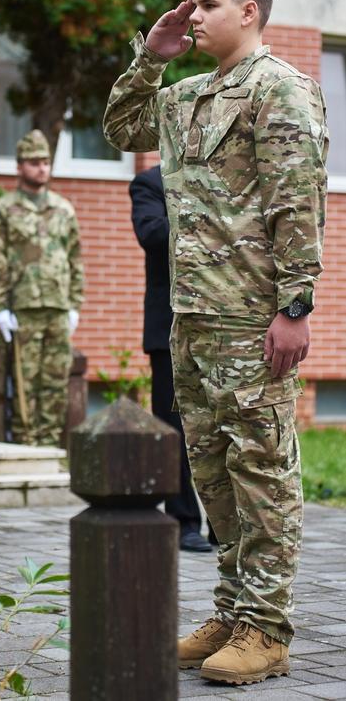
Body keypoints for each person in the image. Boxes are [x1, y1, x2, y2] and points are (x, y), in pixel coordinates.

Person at [104, 0, 328, 685]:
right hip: (192, 319)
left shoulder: (280, 89)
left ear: (248, 10)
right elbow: (119, 128)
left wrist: (295, 305)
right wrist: (151, 56)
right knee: (214, 475)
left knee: (261, 472)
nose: (192, 16)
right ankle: (232, 613)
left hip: (251, 320)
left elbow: (297, 200)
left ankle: (267, 628)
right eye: (190, 4)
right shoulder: (184, 96)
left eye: (206, 5)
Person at [0, 129, 84, 446]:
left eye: (45, 162)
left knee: (55, 381)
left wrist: (74, 305)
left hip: (57, 306)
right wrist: (0, 308)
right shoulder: (3, 209)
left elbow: (75, 259)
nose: (42, 168)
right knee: (24, 382)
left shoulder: (63, 209)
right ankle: (26, 447)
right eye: (34, 162)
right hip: (23, 306)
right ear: (19, 166)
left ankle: (51, 446)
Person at [130, 165, 212, 553]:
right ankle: (184, 520)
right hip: (170, 329)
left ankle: (224, 523)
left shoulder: (222, 173)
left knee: (222, 427)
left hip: (222, 325)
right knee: (174, 428)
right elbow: (152, 234)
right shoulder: (150, 183)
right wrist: (210, 216)